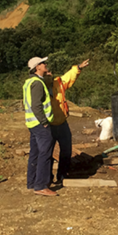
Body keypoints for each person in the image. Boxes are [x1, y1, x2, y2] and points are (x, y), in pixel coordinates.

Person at [45, 59, 90, 187]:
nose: (50, 74)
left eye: (50, 72)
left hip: (62, 123)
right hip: (48, 125)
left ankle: (62, 175)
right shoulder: (39, 88)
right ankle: (47, 178)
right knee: (47, 153)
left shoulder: (57, 83)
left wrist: (79, 67)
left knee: (66, 150)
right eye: (47, 72)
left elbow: (68, 77)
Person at [23, 56, 57, 197]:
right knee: (45, 153)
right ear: (37, 67)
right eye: (43, 63)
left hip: (32, 123)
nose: (45, 64)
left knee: (35, 153)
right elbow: (36, 105)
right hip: (39, 123)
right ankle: (41, 185)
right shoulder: (37, 84)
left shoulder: (31, 82)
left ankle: (32, 182)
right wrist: (44, 121)